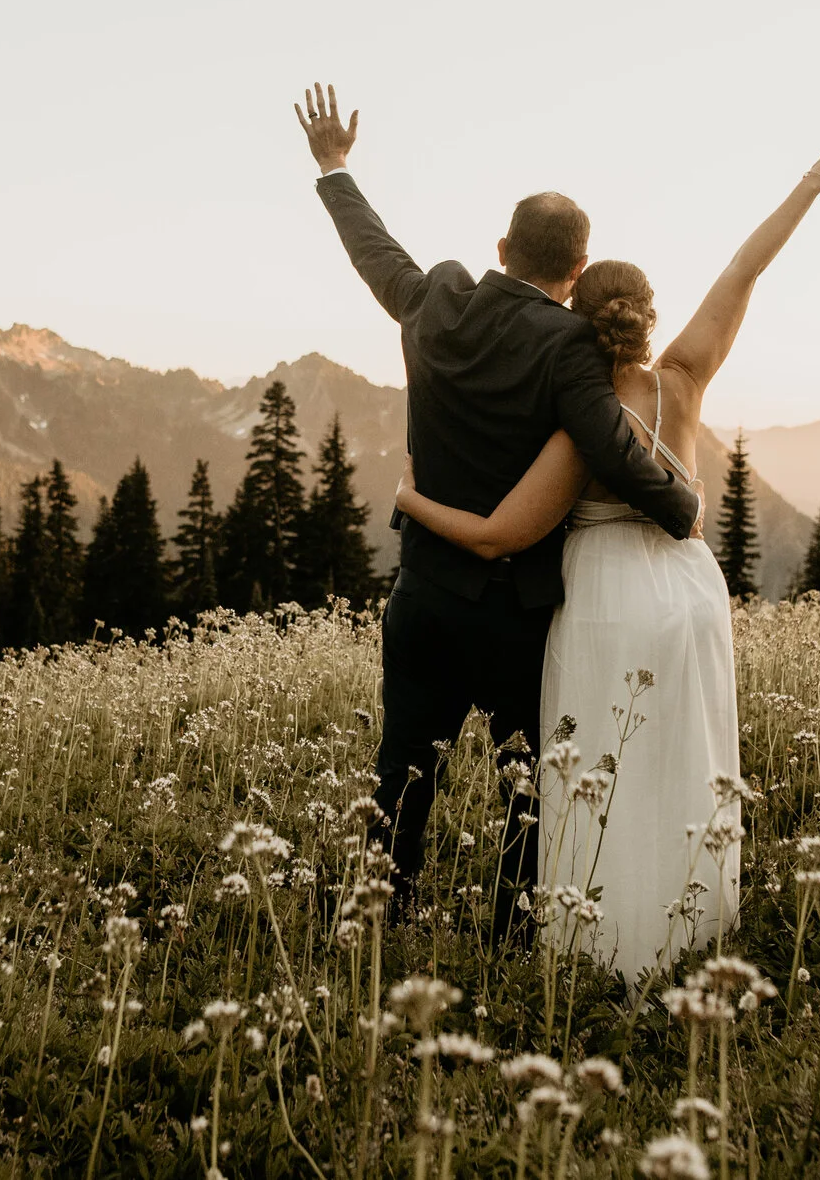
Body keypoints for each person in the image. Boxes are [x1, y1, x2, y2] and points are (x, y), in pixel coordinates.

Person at [394, 126, 820, 979]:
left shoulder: (576, 418)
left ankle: (590, 938)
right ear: (647, 315)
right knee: (685, 756)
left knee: (590, 771)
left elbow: (503, 530)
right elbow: (743, 270)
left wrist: (413, 499)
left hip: (601, 595)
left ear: (574, 315)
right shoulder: (683, 376)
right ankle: (690, 922)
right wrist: (811, 184)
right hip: (689, 594)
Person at [293, 84, 702, 932]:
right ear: (576, 271)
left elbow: (380, 258)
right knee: (529, 782)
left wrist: (335, 168)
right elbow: (607, 444)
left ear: (504, 246)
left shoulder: (439, 298)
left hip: (426, 593)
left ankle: (377, 907)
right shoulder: (569, 346)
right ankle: (515, 928)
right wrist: (679, 504)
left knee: (403, 765)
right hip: (518, 612)